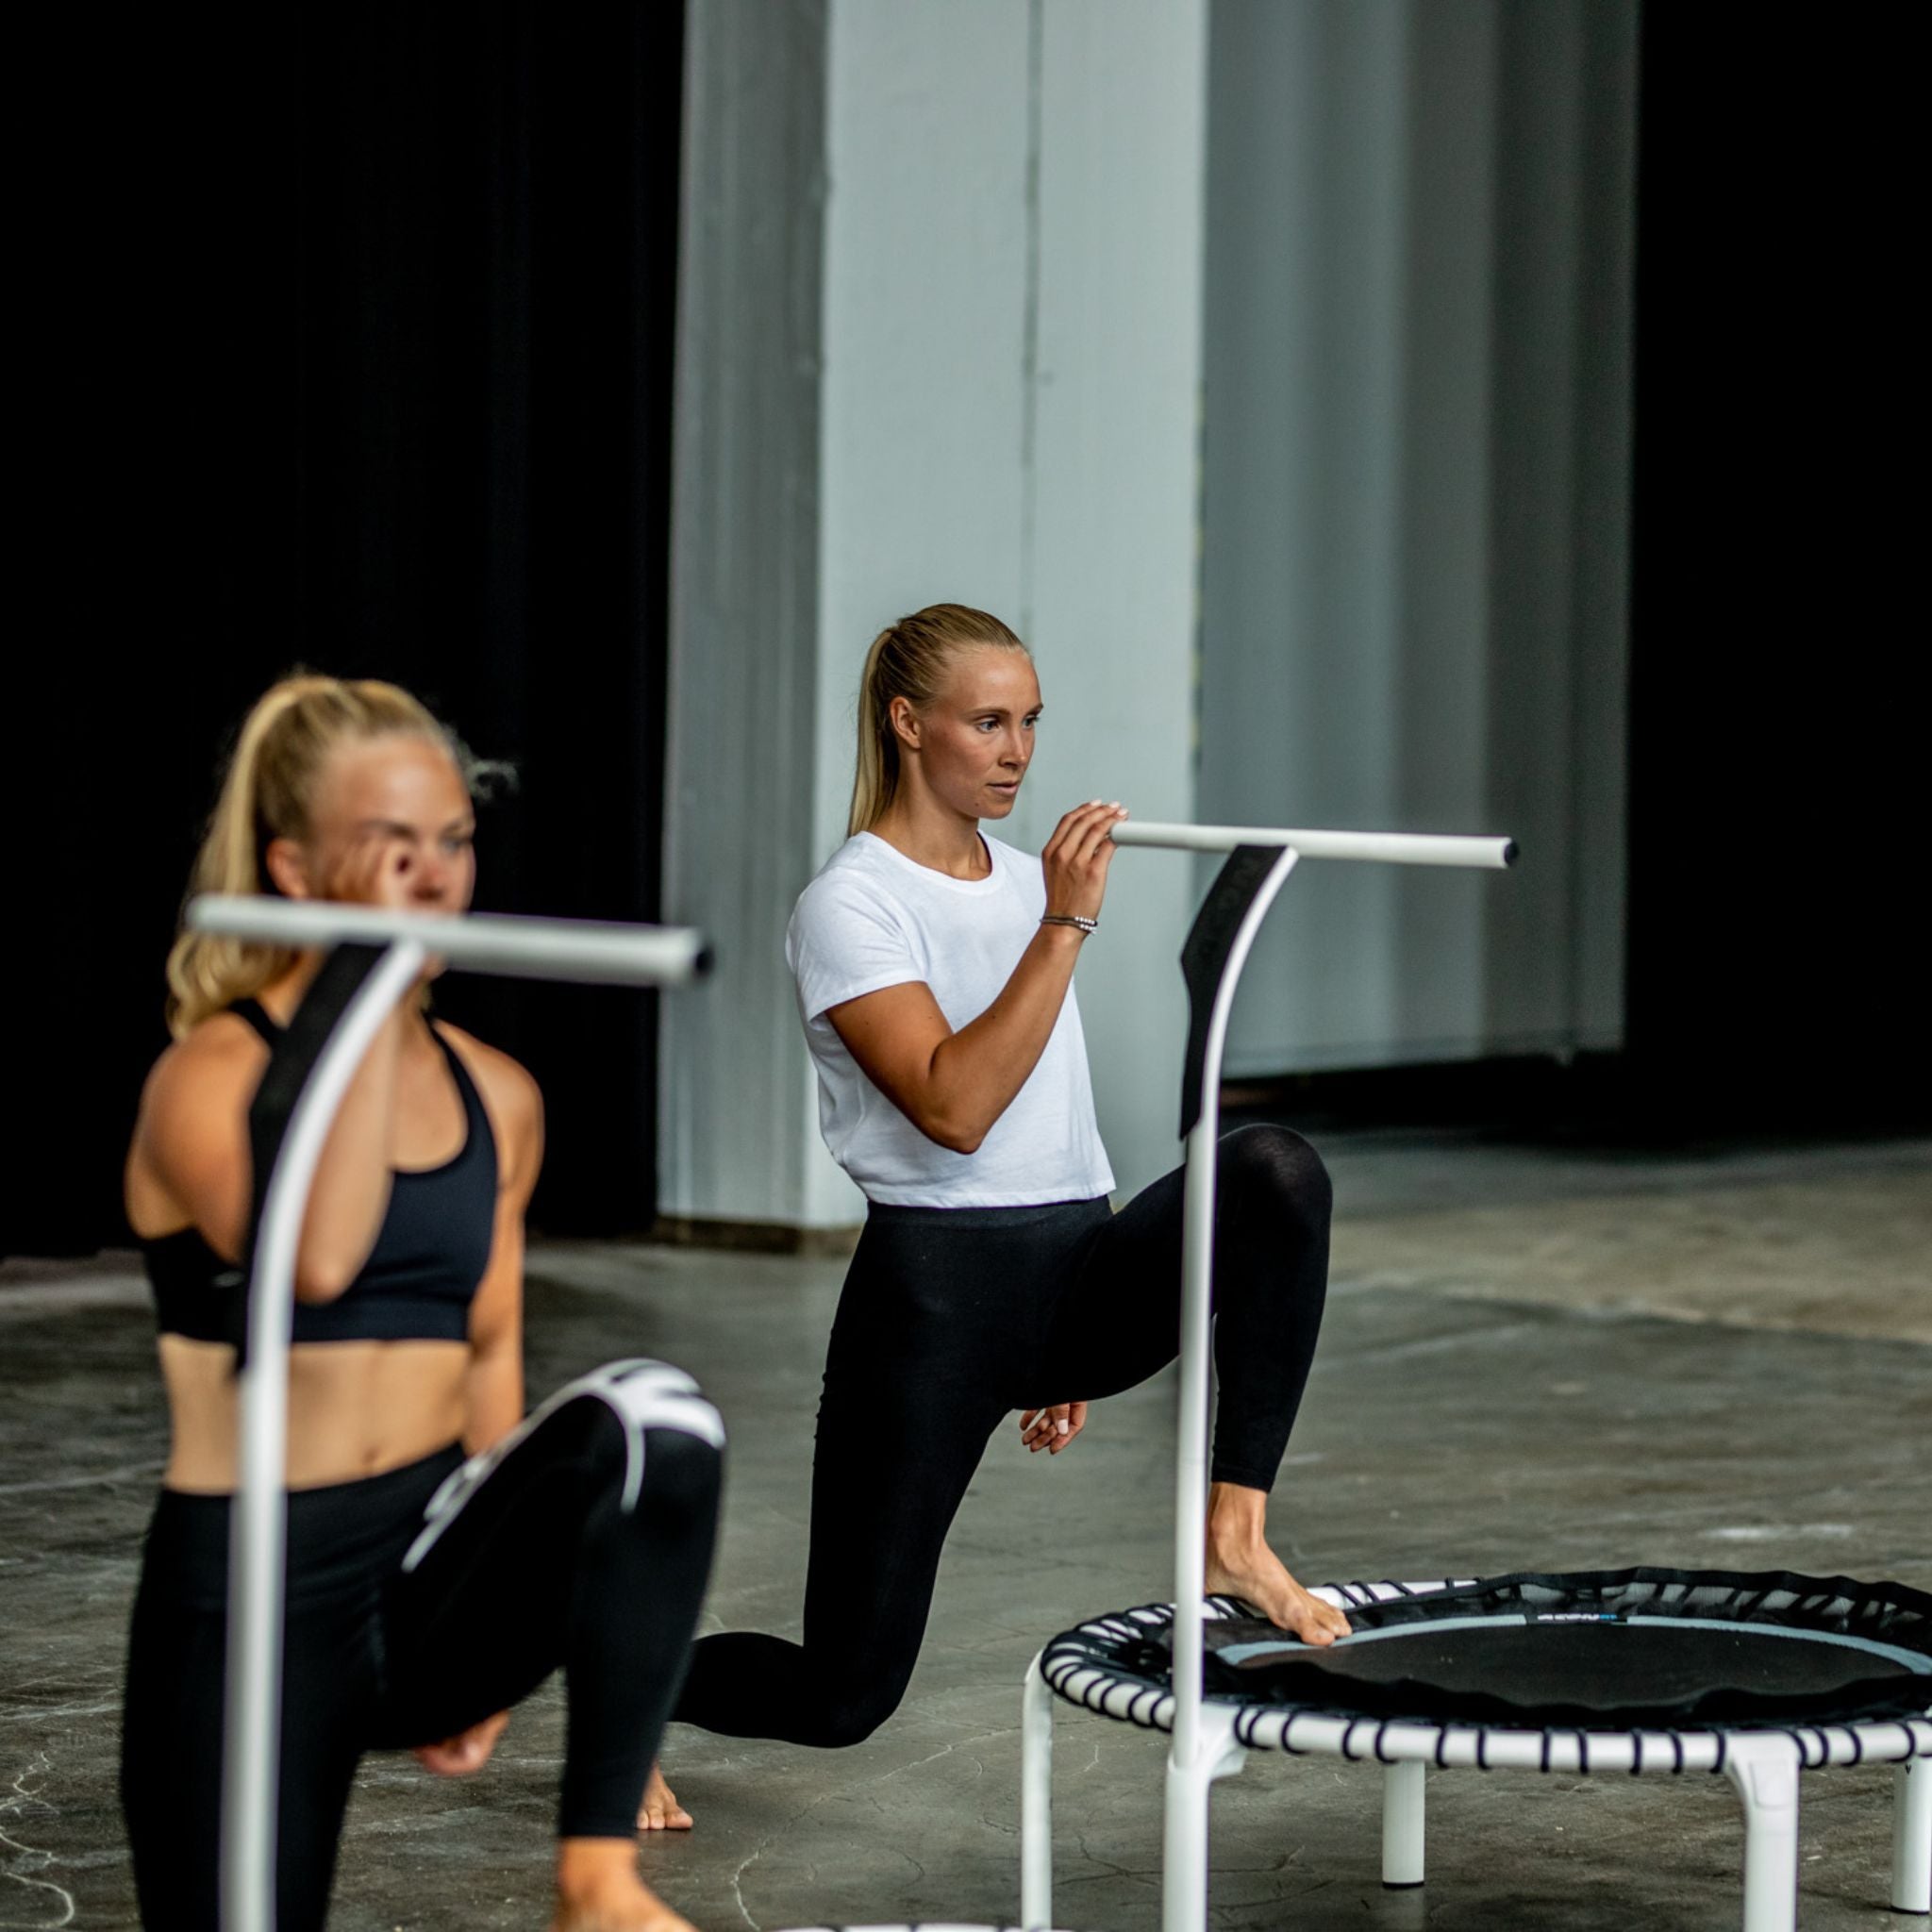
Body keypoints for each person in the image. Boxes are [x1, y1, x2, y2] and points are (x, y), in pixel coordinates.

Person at [669, 603, 1347, 1763]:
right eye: (986, 721)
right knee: (844, 1695)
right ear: (906, 723)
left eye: (1029, 721)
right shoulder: (851, 904)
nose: (1016, 750)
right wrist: (1066, 922)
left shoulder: (1026, 879)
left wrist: (1078, 1320)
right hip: (932, 1307)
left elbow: (1051, 1109)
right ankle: (629, 1684)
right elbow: (955, 1106)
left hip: (1070, 1269)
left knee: (1273, 1169)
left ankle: (1232, 1530)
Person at [120, 675, 723, 1932]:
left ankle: (595, 1877)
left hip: (423, 1569)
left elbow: (489, 1348)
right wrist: (357, 990)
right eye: (393, 849)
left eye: (452, 841)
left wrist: (500, 1620)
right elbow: (321, 1259)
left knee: (657, 1420)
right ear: (292, 869)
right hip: (251, 1602)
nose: (438, 878)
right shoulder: (206, 1077)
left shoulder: (497, 1096)